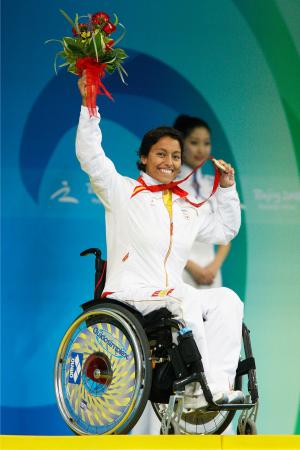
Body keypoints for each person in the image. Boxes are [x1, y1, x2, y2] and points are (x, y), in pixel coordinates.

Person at [76, 72, 244, 413]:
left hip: (168, 294)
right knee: (186, 300)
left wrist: (227, 188)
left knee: (227, 300)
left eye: (176, 156)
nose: (170, 162)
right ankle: (202, 389)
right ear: (143, 158)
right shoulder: (123, 191)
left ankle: (220, 387)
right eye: (161, 154)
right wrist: (88, 105)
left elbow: (226, 230)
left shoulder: (186, 206)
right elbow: (91, 157)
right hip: (130, 293)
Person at [173, 115, 231, 289]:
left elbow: (226, 233)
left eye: (206, 143)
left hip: (211, 275)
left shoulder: (212, 184)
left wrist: (213, 267)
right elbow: (163, 235)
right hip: (180, 272)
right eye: (194, 142)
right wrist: (191, 267)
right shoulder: (169, 186)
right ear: (180, 144)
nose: (201, 150)